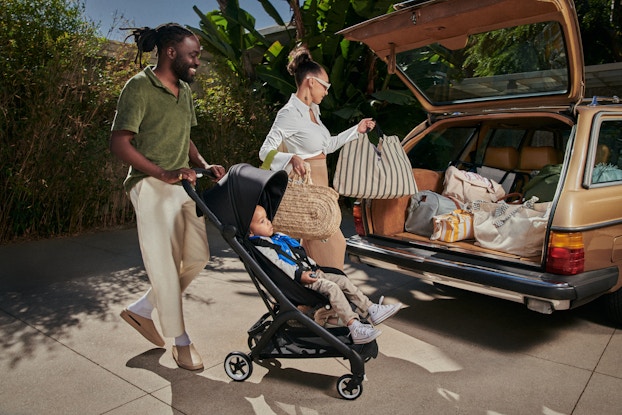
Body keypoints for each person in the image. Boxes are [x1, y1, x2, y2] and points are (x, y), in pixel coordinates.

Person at [110, 23, 225, 371]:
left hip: (180, 184)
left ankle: (142, 309)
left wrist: (205, 164)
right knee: (163, 262)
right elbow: (119, 142)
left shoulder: (185, 92)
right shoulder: (139, 88)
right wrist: (161, 173)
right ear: (171, 52)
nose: (197, 62)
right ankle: (181, 341)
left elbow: (185, 136)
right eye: (192, 55)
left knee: (196, 258)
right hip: (149, 184)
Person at [259, 45, 376, 271]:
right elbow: (265, 152)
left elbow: (327, 146)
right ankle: (333, 300)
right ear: (311, 82)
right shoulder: (289, 114)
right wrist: (291, 157)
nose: (326, 91)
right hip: (306, 191)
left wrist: (356, 130)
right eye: (325, 85)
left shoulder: (314, 112)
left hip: (321, 188)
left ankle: (315, 301)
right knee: (333, 244)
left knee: (306, 254)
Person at [248, 205, 402, 344]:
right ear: (251, 232)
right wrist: (300, 275)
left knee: (342, 280)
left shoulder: (276, 239)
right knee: (333, 288)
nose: (268, 222)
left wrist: (314, 266)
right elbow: (279, 266)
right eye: (262, 221)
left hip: (312, 272)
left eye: (267, 218)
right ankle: (353, 325)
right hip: (300, 282)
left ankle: (371, 309)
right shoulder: (262, 248)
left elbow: (298, 255)